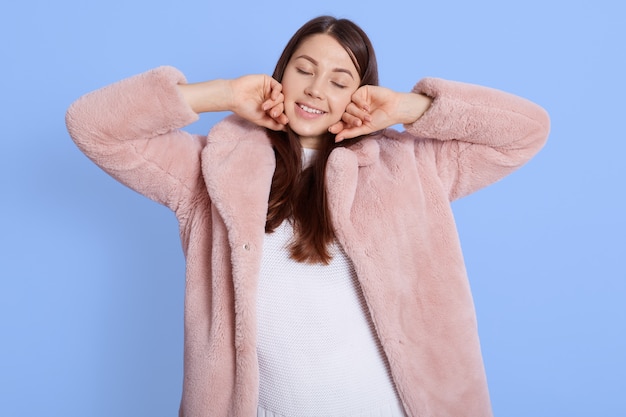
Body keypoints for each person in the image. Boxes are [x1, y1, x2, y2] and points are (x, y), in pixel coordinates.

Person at [66, 15, 550, 417]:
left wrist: (409, 106)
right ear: (281, 73)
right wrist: (223, 94)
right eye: (305, 69)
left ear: (361, 94)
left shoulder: (414, 168)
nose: (317, 90)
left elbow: (526, 131)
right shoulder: (210, 170)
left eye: (340, 80)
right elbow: (93, 127)